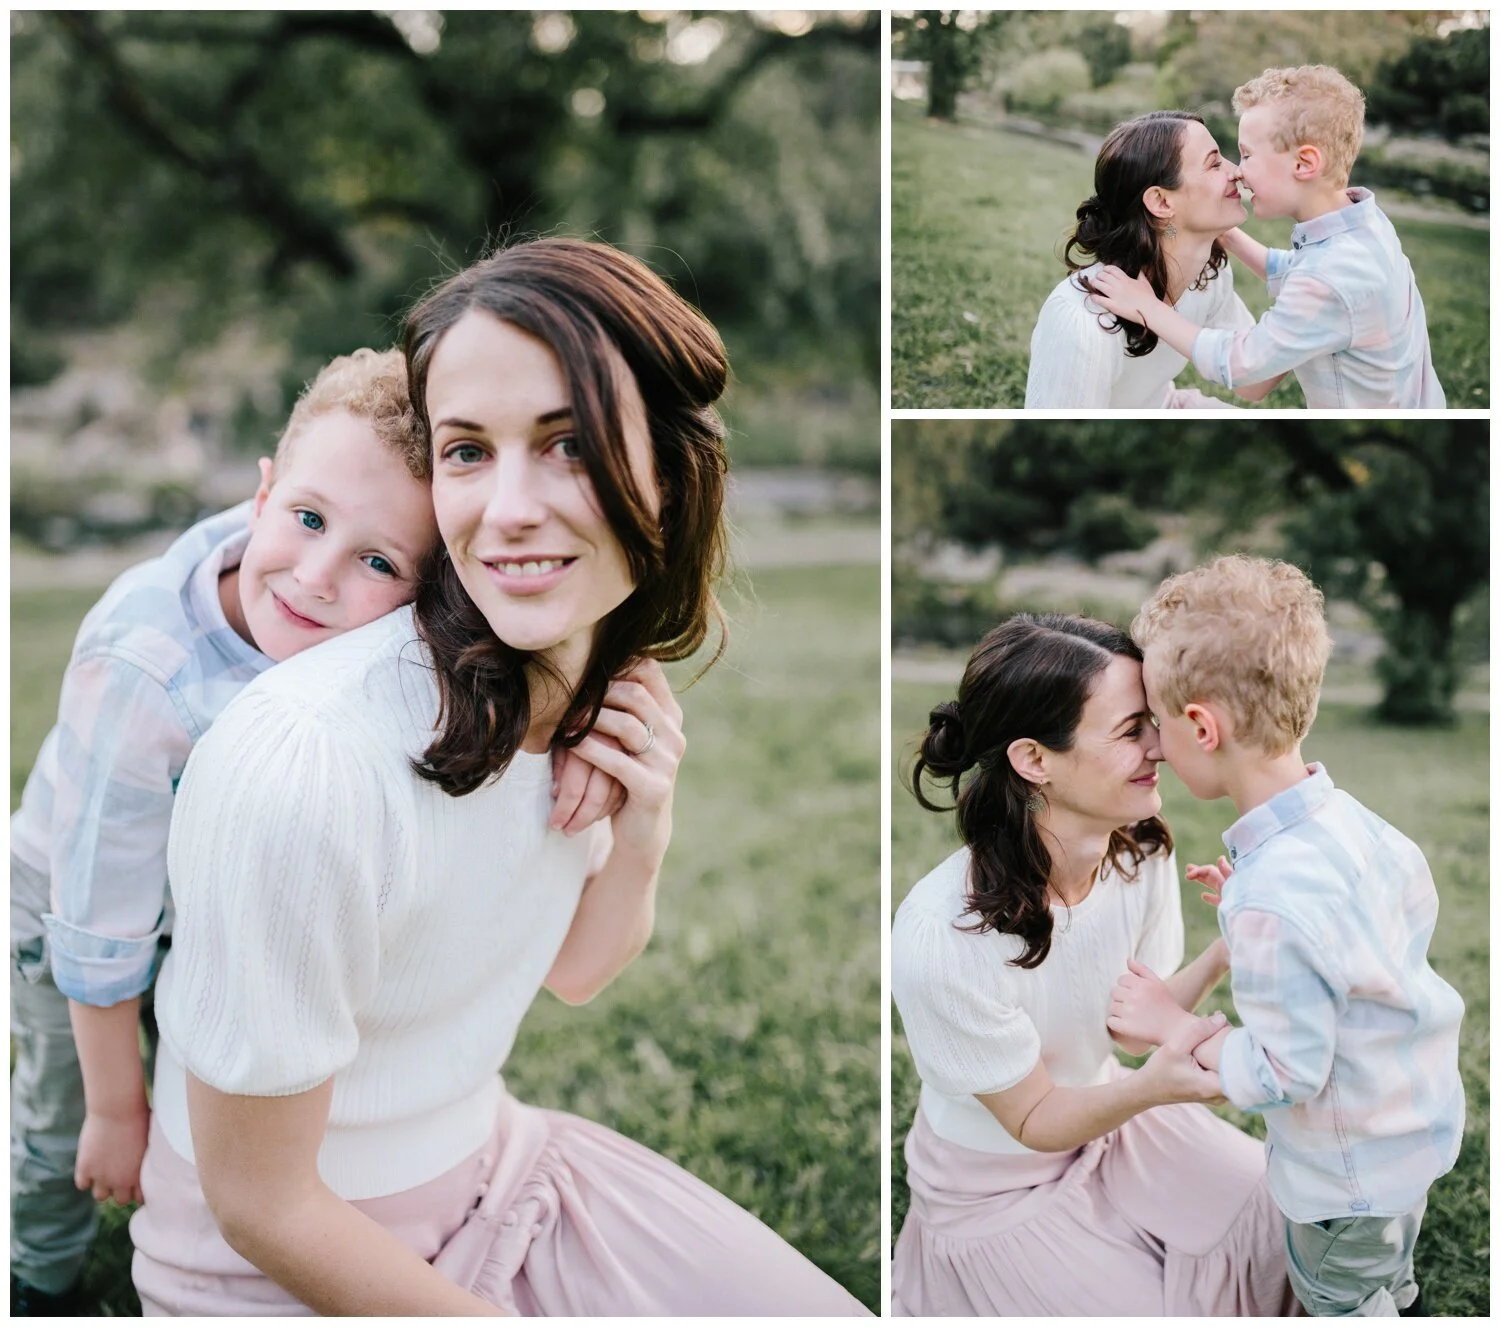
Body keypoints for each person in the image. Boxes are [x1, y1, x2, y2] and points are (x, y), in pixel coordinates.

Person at [126, 238, 871, 1316]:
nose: (508, 508)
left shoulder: (599, 678)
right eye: (468, 452)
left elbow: (577, 970)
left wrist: (645, 824)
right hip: (280, 1273)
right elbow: (262, 1204)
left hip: (496, 1173)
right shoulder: (307, 764)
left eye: (567, 445)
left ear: (671, 466)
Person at [9, 348, 456, 1313]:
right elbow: (100, 920)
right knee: (64, 1126)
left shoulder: (371, 640)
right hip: (72, 915)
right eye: (306, 519)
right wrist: (114, 1106)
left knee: (201, 1094)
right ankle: (37, 1277)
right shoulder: (145, 669)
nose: (319, 576)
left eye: (378, 561)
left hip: (204, 906)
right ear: (263, 495)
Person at [891, 613, 1297, 1316]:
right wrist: (1155, 1089)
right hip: (998, 1181)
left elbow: (1132, 1028)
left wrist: (1227, 947)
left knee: (1282, 1216)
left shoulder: (1141, 851)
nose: (1159, 748)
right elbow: (1036, 1116)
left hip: (1112, 1122)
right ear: (1034, 759)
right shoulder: (941, 934)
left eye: (1155, 722)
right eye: (1130, 729)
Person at [1111, 556, 1465, 1316]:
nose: (1154, 747)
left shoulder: (1275, 900)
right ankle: (1388, 1291)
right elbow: (1363, 944)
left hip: (1346, 1176)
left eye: (1158, 724)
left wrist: (1177, 1025)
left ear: (1201, 726)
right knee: (1381, 1269)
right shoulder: (1360, 828)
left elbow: (1285, 1071)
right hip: (1410, 1129)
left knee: (1337, 1298)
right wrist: (1253, 904)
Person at [1090, 66, 1445, 408]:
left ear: (1304, 164)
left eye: (1247, 155)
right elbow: (1294, 268)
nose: (1238, 171)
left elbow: (1239, 362)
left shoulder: (1330, 277)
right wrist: (1227, 235)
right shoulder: (1365, 226)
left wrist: (1149, 309)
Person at [1024, 110, 1281, 409]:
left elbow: (1254, 381)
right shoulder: (1084, 320)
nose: (1236, 171)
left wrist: (1309, 303)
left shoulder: (1209, 274)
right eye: (1214, 163)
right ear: (1161, 202)